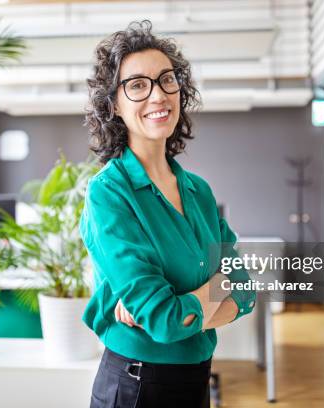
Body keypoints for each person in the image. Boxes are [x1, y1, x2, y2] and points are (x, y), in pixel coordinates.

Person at [80, 20, 256, 408]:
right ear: (114, 105)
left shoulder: (199, 191)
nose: (158, 95)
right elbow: (164, 319)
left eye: (167, 80)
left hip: (196, 382)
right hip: (137, 387)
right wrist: (214, 289)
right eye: (138, 85)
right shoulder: (109, 193)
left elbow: (245, 290)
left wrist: (181, 307)